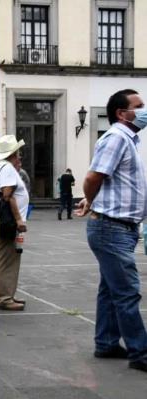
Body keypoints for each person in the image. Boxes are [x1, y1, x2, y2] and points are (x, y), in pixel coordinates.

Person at [75, 88, 147, 373]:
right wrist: (91, 200)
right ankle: (141, 351)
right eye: (138, 106)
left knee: (110, 289)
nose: (143, 110)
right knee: (127, 291)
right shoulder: (117, 137)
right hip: (111, 228)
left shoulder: (128, 140)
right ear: (122, 113)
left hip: (120, 228)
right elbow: (94, 176)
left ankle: (105, 343)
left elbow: (111, 181)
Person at [0, 135, 29, 311]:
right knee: (7, 258)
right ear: (12, 154)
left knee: (3, 257)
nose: (19, 157)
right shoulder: (8, 169)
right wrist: (19, 219)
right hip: (8, 220)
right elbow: (7, 194)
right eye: (17, 153)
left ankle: (5, 293)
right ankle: (3, 297)